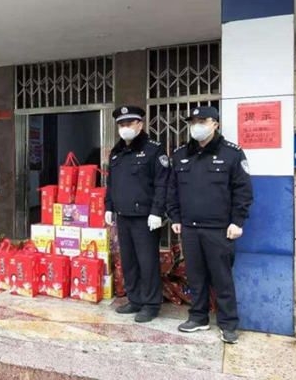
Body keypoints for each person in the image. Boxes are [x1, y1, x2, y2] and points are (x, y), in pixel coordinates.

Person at [167, 106, 253, 344]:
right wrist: (175, 217)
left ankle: (228, 324)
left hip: (219, 229)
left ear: (215, 124)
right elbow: (172, 189)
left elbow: (243, 191)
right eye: (193, 122)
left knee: (222, 278)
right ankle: (198, 317)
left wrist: (237, 221)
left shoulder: (232, 153)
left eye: (202, 121)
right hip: (190, 228)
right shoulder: (181, 154)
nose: (196, 126)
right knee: (195, 277)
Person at [105, 105, 170, 323]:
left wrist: (157, 211)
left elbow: (162, 183)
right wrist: (108, 207)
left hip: (145, 218)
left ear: (140, 125)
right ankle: (134, 299)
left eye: (129, 123)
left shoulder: (153, 150)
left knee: (147, 262)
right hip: (123, 216)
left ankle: (151, 305)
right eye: (121, 124)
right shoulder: (117, 152)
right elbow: (111, 183)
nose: (125, 128)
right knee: (129, 261)